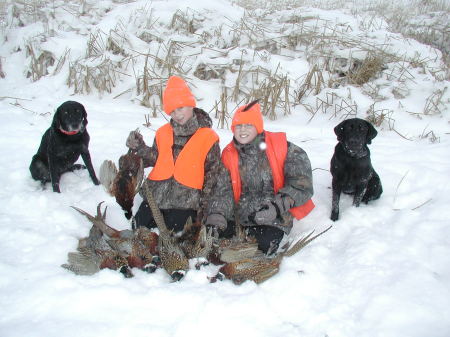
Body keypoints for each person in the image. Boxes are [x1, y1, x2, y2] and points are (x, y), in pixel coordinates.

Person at [205, 100, 315, 254]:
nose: (242, 130)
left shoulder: (284, 148)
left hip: (273, 218)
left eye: (248, 125)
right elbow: (223, 191)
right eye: (238, 126)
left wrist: (275, 208)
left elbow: (302, 185)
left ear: (258, 127)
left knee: (258, 247)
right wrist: (218, 215)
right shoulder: (229, 154)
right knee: (212, 242)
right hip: (239, 216)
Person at [126, 76, 222, 232]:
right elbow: (155, 159)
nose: (177, 114)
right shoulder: (163, 132)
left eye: (181, 108)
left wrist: (203, 210)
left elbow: (212, 176)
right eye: (172, 111)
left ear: (191, 105)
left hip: (186, 202)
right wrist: (139, 147)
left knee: (174, 236)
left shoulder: (209, 137)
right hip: (156, 197)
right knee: (137, 228)